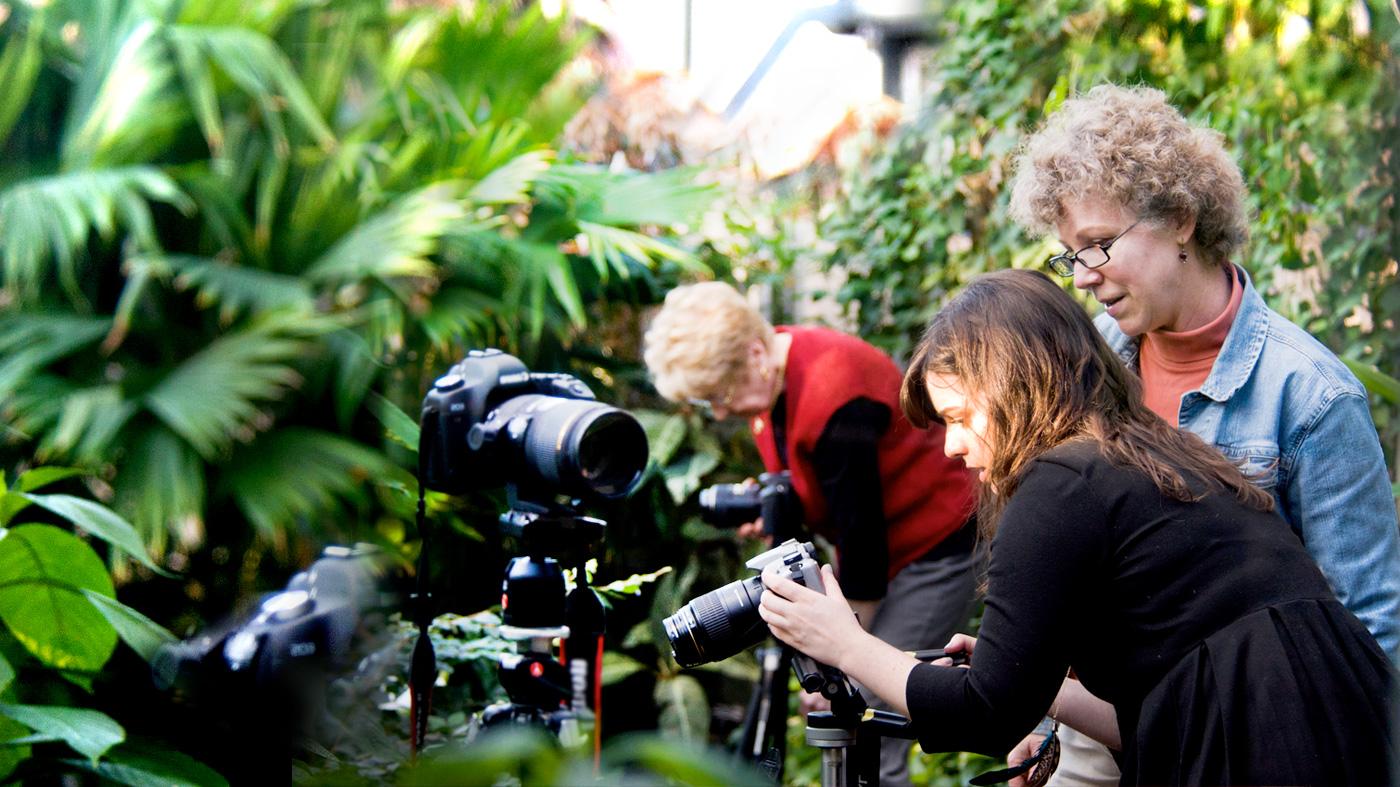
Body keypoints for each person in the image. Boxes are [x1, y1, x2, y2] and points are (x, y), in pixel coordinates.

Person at [757, 269, 1394, 787]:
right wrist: (1035, 682)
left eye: (958, 415)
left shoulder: (1062, 482)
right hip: (1333, 718)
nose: (950, 446)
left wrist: (845, 644)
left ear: (1011, 387)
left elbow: (984, 716)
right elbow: (1165, 704)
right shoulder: (1144, 452)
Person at [1004, 83, 1400, 785]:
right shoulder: (1090, 366)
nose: (1087, 276)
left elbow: (1371, 631)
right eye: (1072, 255)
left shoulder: (1310, 394)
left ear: (1181, 218)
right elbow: (1062, 564)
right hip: (1105, 720)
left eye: (1099, 244)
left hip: (1251, 732)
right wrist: (1044, 720)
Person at [643, 281, 978, 786]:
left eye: (720, 394)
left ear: (754, 352)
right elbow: (822, 483)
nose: (719, 412)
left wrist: (835, 651)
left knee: (869, 709)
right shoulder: (773, 374)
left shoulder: (833, 390)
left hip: (934, 544)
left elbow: (862, 552)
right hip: (884, 549)